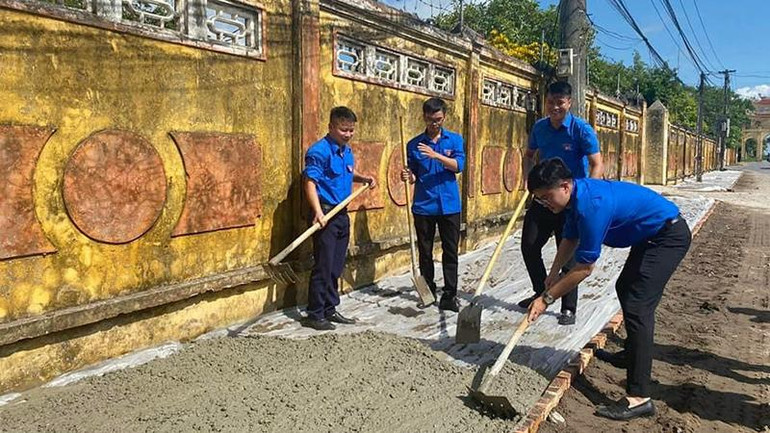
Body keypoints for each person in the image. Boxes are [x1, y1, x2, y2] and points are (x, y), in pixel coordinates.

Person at [526, 158, 691, 421]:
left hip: (666, 237)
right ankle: (632, 355)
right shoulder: (575, 199)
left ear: (565, 186)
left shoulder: (592, 205)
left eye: (547, 197)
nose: (545, 204)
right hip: (648, 236)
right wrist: (553, 273)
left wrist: (546, 298)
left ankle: (639, 398)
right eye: (540, 200)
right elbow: (570, 237)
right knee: (625, 286)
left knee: (638, 305)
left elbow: (584, 268)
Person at [519, 81, 604, 326]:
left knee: (567, 254)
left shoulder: (581, 130)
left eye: (560, 102)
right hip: (545, 197)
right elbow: (529, 156)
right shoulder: (539, 128)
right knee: (529, 246)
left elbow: (597, 163)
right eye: (550, 102)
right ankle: (541, 293)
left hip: (570, 200)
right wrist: (529, 180)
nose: (554, 107)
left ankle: (568, 307)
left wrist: (586, 193)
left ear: (569, 103)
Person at [302, 106, 376, 331]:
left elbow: (347, 172)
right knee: (323, 266)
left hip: (342, 214)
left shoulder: (347, 151)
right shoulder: (319, 151)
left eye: (351, 130)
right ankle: (315, 313)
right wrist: (317, 212)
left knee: (336, 266)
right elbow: (310, 183)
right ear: (331, 127)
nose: (348, 134)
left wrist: (363, 178)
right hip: (326, 214)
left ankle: (330, 308)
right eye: (344, 130)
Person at [400, 97, 465, 311]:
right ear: (424, 117)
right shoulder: (413, 145)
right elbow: (414, 175)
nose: (433, 124)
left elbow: (458, 166)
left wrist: (436, 155)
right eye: (429, 120)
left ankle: (450, 295)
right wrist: (408, 175)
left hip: (449, 205)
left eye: (437, 119)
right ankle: (428, 291)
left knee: (450, 250)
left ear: (444, 116)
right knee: (425, 251)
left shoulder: (454, 140)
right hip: (424, 205)